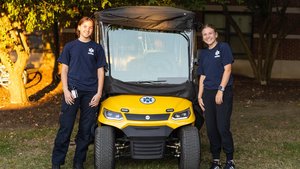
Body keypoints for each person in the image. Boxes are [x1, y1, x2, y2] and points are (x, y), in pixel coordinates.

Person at [51, 17, 107, 169]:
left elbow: (100, 71)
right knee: (66, 127)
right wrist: (66, 91)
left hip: (91, 94)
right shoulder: (70, 47)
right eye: (85, 26)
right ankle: (56, 162)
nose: (87, 29)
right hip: (72, 92)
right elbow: (64, 70)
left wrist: (99, 93)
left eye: (90, 27)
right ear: (79, 27)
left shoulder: (97, 48)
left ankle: (78, 161)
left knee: (86, 129)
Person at [197, 24, 235, 169]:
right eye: (205, 34)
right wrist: (200, 96)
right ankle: (216, 160)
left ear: (216, 34)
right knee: (211, 128)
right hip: (207, 93)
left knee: (222, 127)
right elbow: (202, 76)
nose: (208, 36)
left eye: (210, 33)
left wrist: (221, 89)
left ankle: (230, 160)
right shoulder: (203, 54)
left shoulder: (223, 47)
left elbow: (228, 69)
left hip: (223, 92)